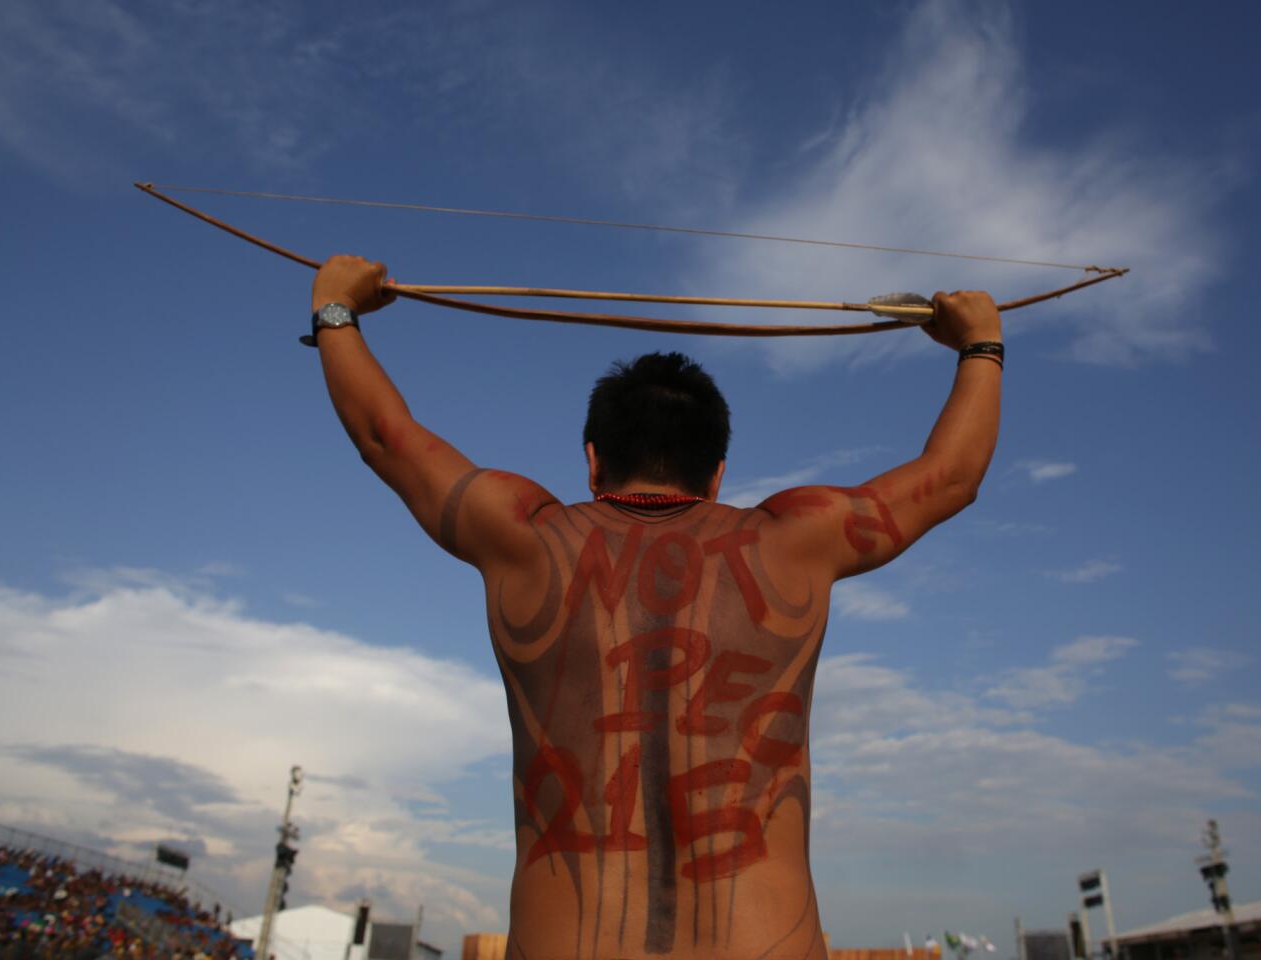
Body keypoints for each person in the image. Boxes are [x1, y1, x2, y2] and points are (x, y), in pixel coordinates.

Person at [307, 255, 1003, 960]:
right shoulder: (797, 540)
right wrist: (979, 342)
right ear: (719, 471)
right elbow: (951, 478)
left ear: (592, 460)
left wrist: (336, 307)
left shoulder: (525, 538)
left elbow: (386, 438)